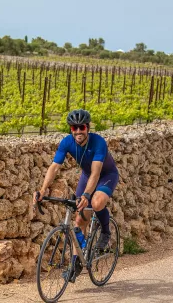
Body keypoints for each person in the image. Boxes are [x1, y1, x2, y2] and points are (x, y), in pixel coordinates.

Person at [34, 109, 119, 282]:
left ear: (87, 127)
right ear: (71, 129)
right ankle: (76, 263)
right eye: (74, 128)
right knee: (79, 221)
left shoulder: (98, 142)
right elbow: (54, 167)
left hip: (106, 175)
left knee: (96, 203)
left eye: (82, 127)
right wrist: (43, 190)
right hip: (87, 177)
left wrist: (86, 195)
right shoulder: (67, 142)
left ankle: (105, 232)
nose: (78, 131)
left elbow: (96, 173)